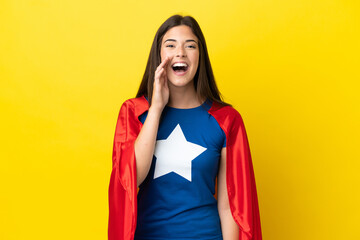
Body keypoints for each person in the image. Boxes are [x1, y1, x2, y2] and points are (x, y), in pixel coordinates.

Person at [108, 15, 262, 240]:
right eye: (170, 45)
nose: (180, 52)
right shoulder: (134, 112)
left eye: (190, 46)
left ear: (200, 56)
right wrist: (156, 108)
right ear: (158, 55)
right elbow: (131, 179)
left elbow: (230, 207)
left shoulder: (226, 119)